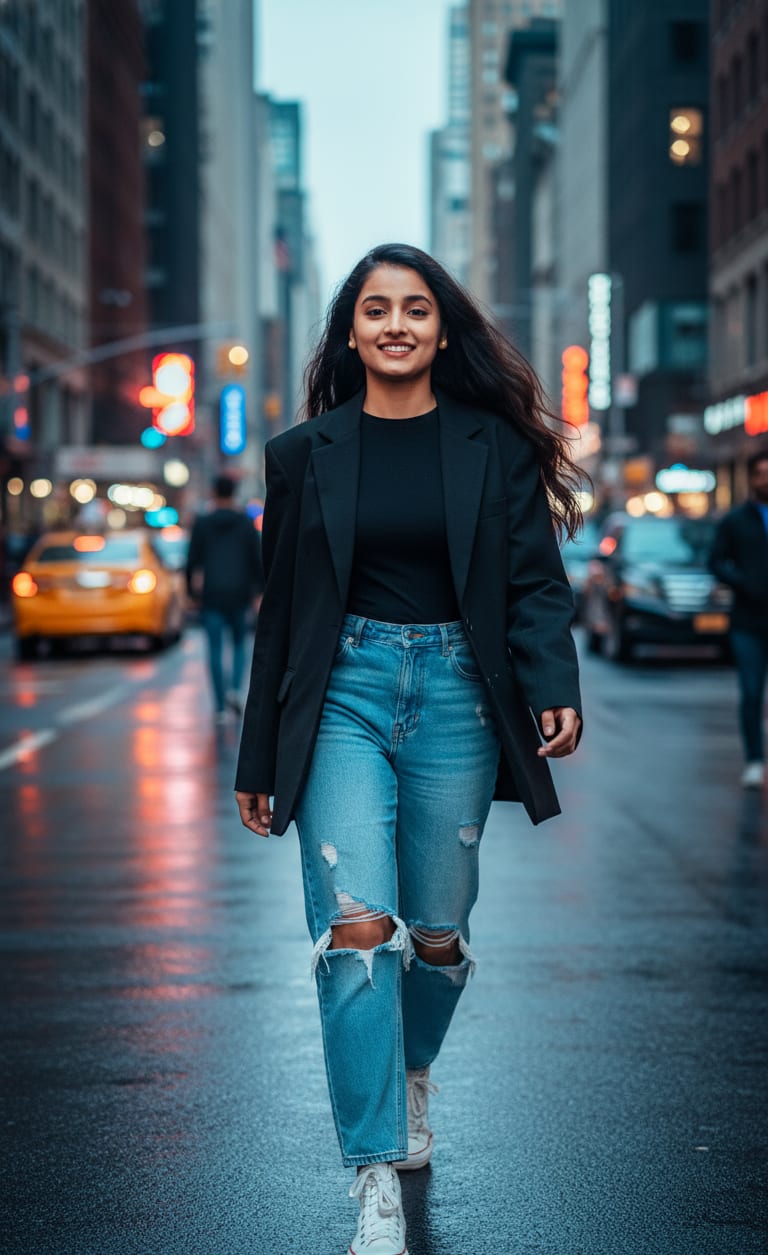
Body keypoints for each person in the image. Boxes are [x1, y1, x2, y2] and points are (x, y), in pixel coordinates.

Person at [234, 243, 582, 1255]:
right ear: (351, 329)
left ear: (441, 329)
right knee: (358, 926)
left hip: (459, 702)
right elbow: (280, 614)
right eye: (377, 308)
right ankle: (375, 1171)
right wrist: (260, 756)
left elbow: (535, 583)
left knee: (434, 930)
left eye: (416, 309)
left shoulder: (494, 447)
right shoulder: (305, 454)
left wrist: (551, 686)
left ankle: (412, 1066)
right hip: (342, 690)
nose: (396, 324)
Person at [709, 449, 768, 787]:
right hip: (748, 621)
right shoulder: (735, 520)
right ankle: (755, 760)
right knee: (751, 691)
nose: (765, 479)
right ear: (751, 478)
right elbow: (715, 561)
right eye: (760, 473)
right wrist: (743, 583)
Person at [186, 474, 263, 723]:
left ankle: (219, 707)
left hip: (212, 594)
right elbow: (256, 559)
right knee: (240, 645)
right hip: (240, 593)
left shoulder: (202, 523)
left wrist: (191, 593)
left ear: (213, 492)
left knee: (215, 650)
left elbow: (192, 561)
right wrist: (259, 592)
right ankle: (235, 690)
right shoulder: (245, 522)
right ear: (234, 492)